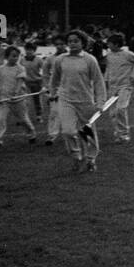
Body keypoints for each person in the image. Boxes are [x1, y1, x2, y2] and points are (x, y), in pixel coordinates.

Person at [50, 29, 106, 172]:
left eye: (76, 41)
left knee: (87, 133)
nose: (72, 44)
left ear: (83, 43)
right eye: (70, 41)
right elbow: (54, 79)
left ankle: (91, 159)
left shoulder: (90, 60)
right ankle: (76, 156)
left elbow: (99, 82)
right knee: (68, 131)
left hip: (85, 101)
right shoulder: (60, 59)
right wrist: (52, 93)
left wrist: (100, 102)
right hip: (66, 100)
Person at [104, 33, 134, 143]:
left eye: (110, 43)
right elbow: (109, 69)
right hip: (112, 87)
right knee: (112, 113)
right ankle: (118, 134)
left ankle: (124, 134)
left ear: (116, 44)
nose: (108, 45)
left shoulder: (128, 54)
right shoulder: (109, 55)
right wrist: (106, 80)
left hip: (125, 86)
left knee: (120, 109)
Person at [0, 46, 37, 148]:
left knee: (23, 119)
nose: (16, 58)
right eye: (13, 56)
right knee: (0, 119)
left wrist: (15, 94)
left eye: (17, 56)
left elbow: (20, 82)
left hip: (19, 99)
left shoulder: (20, 68)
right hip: (4, 99)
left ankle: (31, 134)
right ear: (7, 57)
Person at [20, 42, 46, 123]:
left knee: (37, 100)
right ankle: (24, 117)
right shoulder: (22, 60)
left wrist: (43, 82)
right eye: (27, 49)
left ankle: (39, 116)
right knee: (24, 101)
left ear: (34, 50)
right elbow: (20, 71)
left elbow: (45, 70)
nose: (29, 51)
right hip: (25, 83)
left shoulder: (39, 60)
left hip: (36, 82)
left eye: (31, 50)